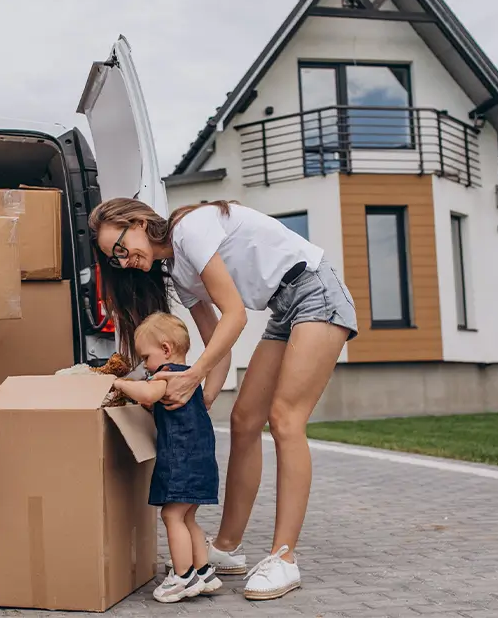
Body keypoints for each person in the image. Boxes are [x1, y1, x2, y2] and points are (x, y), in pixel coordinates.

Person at [89, 198, 357, 601]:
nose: (124, 261)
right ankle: (228, 547)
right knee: (244, 419)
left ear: (140, 222)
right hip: (283, 309)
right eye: (115, 259)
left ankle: (283, 558)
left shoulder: (190, 229)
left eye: (122, 248)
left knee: (285, 419)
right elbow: (219, 342)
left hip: (315, 291)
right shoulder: (178, 272)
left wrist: (193, 375)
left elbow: (235, 316)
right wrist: (202, 397)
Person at [112, 312, 221, 604]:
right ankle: (203, 572)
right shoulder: (189, 379)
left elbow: (148, 394)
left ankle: (182, 577)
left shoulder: (167, 375)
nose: (144, 366)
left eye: (145, 357)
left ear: (165, 349)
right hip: (202, 460)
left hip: (181, 460)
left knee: (171, 515)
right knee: (188, 517)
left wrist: (121, 385)